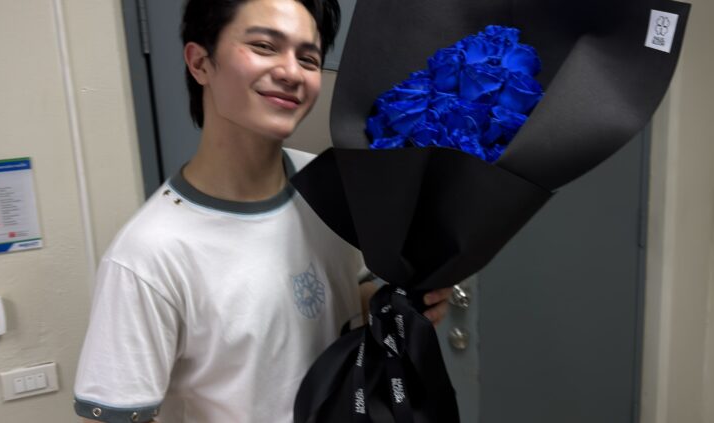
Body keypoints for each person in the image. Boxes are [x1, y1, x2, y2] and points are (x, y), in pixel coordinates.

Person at [73, 0, 451, 421]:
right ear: (200, 63)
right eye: (265, 46)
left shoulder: (330, 187)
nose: (291, 72)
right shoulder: (147, 256)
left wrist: (401, 309)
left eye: (308, 58)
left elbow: (344, 295)